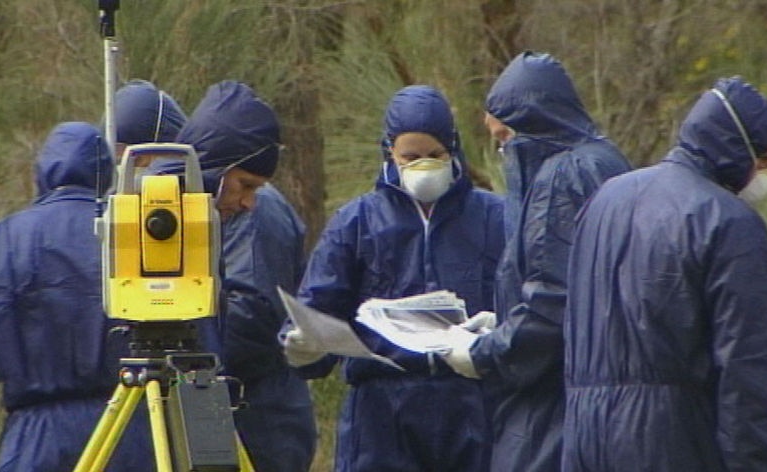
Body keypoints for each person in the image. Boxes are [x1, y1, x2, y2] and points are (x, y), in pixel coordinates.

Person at [562, 77, 767, 471]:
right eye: (766, 158)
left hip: (585, 434)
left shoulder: (606, 198)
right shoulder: (728, 222)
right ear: (739, 150)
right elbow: (744, 371)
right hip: (673, 440)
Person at [283, 85, 508, 472]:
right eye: (411, 157)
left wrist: (499, 331)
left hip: (472, 406)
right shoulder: (356, 222)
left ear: (453, 148)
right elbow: (318, 305)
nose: (423, 166)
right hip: (381, 413)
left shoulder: (495, 217)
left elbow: (523, 303)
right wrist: (302, 343)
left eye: (435, 155)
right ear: (389, 151)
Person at [437, 51, 632, 472]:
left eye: (505, 139)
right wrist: (503, 317)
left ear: (535, 126)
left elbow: (551, 305)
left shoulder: (561, 177)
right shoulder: (606, 161)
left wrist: (486, 351)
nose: (503, 152)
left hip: (554, 408)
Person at [0, 122, 152, 471]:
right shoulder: (135, 235)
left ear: (41, 173)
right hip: (127, 428)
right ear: (107, 174)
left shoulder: (0, 243)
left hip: (34, 440)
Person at [150, 80, 317, 472]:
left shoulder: (251, 217)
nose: (247, 201)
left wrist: (188, 354)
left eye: (252, 187)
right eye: (244, 186)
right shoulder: (193, 211)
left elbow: (252, 315)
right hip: (216, 401)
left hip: (256, 418)